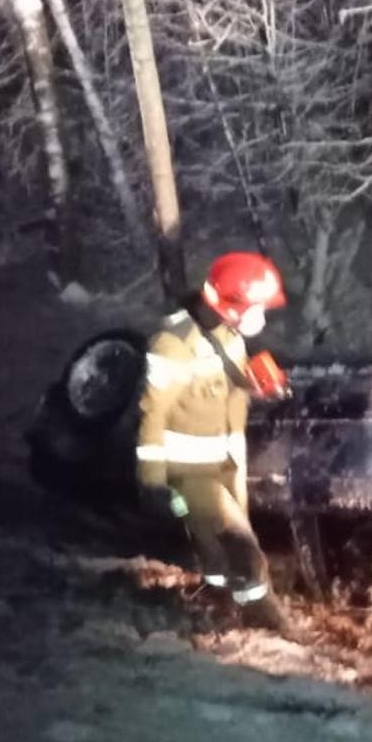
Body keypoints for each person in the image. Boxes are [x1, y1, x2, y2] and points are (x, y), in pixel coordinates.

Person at [135, 252, 290, 629]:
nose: (261, 318)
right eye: (255, 308)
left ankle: (218, 596)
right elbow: (152, 413)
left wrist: (258, 389)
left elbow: (225, 388)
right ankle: (265, 617)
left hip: (227, 460)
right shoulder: (173, 343)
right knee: (241, 542)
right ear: (230, 305)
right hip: (190, 469)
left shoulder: (226, 334)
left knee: (214, 541)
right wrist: (152, 481)